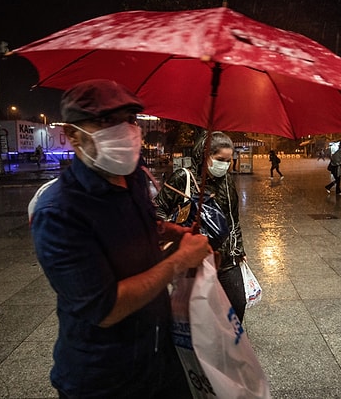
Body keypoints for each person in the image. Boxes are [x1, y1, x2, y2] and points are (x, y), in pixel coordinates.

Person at [29, 79, 212, 398]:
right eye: (106, 121)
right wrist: (179, 261)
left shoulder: (134, 179)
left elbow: (139, 226)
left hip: (160, 359)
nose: (125, 130)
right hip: (105, 379)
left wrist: (167, 231)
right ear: (73, 135)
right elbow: (105, 307)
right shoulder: (58, 211)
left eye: (130, 119)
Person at [154, 130, 248, 322]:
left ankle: (229, 344)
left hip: (227, 259)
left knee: (237, 303)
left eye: (229, 160)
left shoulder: (227, 182)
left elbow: (233, 218)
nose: (225, 165)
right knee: (200, 312)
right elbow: (158, 209)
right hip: (196, 259)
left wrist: (238, 249)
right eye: (220, 159)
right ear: (205, 156)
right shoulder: (183, 177)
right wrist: (177, 235)